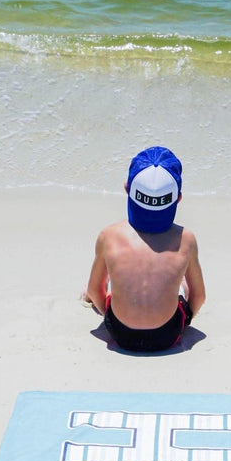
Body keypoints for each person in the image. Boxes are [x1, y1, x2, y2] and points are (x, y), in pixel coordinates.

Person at [82, 146, 205, 353]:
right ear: (178, 198)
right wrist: (186, 319)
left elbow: (96, 291)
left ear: (127, 188)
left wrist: (108, 317)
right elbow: (199, 298)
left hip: (121, 334)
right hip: (167, 335)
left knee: (106, 283)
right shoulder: (186, 239)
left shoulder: (109, 235)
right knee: (181, 283)